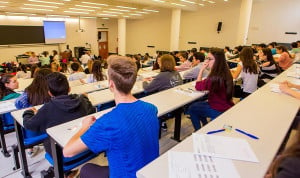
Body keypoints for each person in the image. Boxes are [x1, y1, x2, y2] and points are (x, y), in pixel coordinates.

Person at [63, 55, 159, 178]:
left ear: (111, 84)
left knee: (86, 168)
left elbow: (68, 152)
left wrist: (84, 126)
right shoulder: (151, 108)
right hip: (146, 172)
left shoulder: (107, 123)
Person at [22, 72, 96, 158]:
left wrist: (28, 113)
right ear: (69, 89)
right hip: (85, 147)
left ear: (49, 93)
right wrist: (84, 98)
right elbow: (92, 111)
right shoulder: (82, 101)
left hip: (60, 154)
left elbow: (29, 125)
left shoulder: (47, 109)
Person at [188, 48, 234, 131]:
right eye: (207, 58)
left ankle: (198, 131)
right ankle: (205, 126)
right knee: (197, 105)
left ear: (217, 61)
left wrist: (201, 69)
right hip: (227, 105)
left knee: (192, 109)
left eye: (210, 59)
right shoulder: (225, 71)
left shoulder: (215, 77)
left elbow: (198, 86)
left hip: (218, 108)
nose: (207, 61)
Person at [15, 68, 52, 157]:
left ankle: (30, 149)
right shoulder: (52, 89)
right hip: (49, 125)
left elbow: (18, 103)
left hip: (34, 126)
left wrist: (28, 109)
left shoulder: (29, 90)